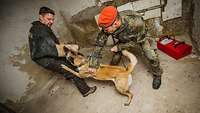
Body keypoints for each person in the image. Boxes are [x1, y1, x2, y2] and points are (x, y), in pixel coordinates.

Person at [88, 6, 163, 89]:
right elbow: (99, 43)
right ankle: (113, 71)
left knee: (151, 56)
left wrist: (119, 47)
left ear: (115, 23)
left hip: (141, 37)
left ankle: (157, 74)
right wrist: (93, 64)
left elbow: (135, 43)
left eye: (106, 29)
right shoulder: (108, 25)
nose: (104, 31)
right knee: (115, 58)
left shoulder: (136, 23)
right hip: (124, 38)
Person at [28, 6, 96, 97]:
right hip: (47, 59)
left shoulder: (36, 27)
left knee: (68, 63)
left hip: (45, 56)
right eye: (49, 19)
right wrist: (70, 48)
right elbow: (52, 48)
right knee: (70, 70)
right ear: (41, 17)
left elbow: (50, 44)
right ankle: (85, 90)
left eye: (52, 19)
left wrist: (66, 47)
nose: (51, 22)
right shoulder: (41, 30)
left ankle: (70, 74)